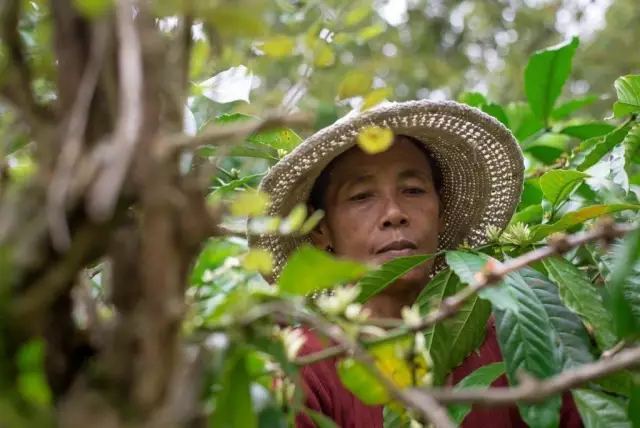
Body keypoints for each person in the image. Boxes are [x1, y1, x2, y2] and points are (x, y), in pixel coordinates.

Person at [249, 100, 584, 427]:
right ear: (321, 229)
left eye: (412, 190)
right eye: (362, 196)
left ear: (440, 210)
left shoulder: (514, 340)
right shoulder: (304, 369)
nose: (394, 214)